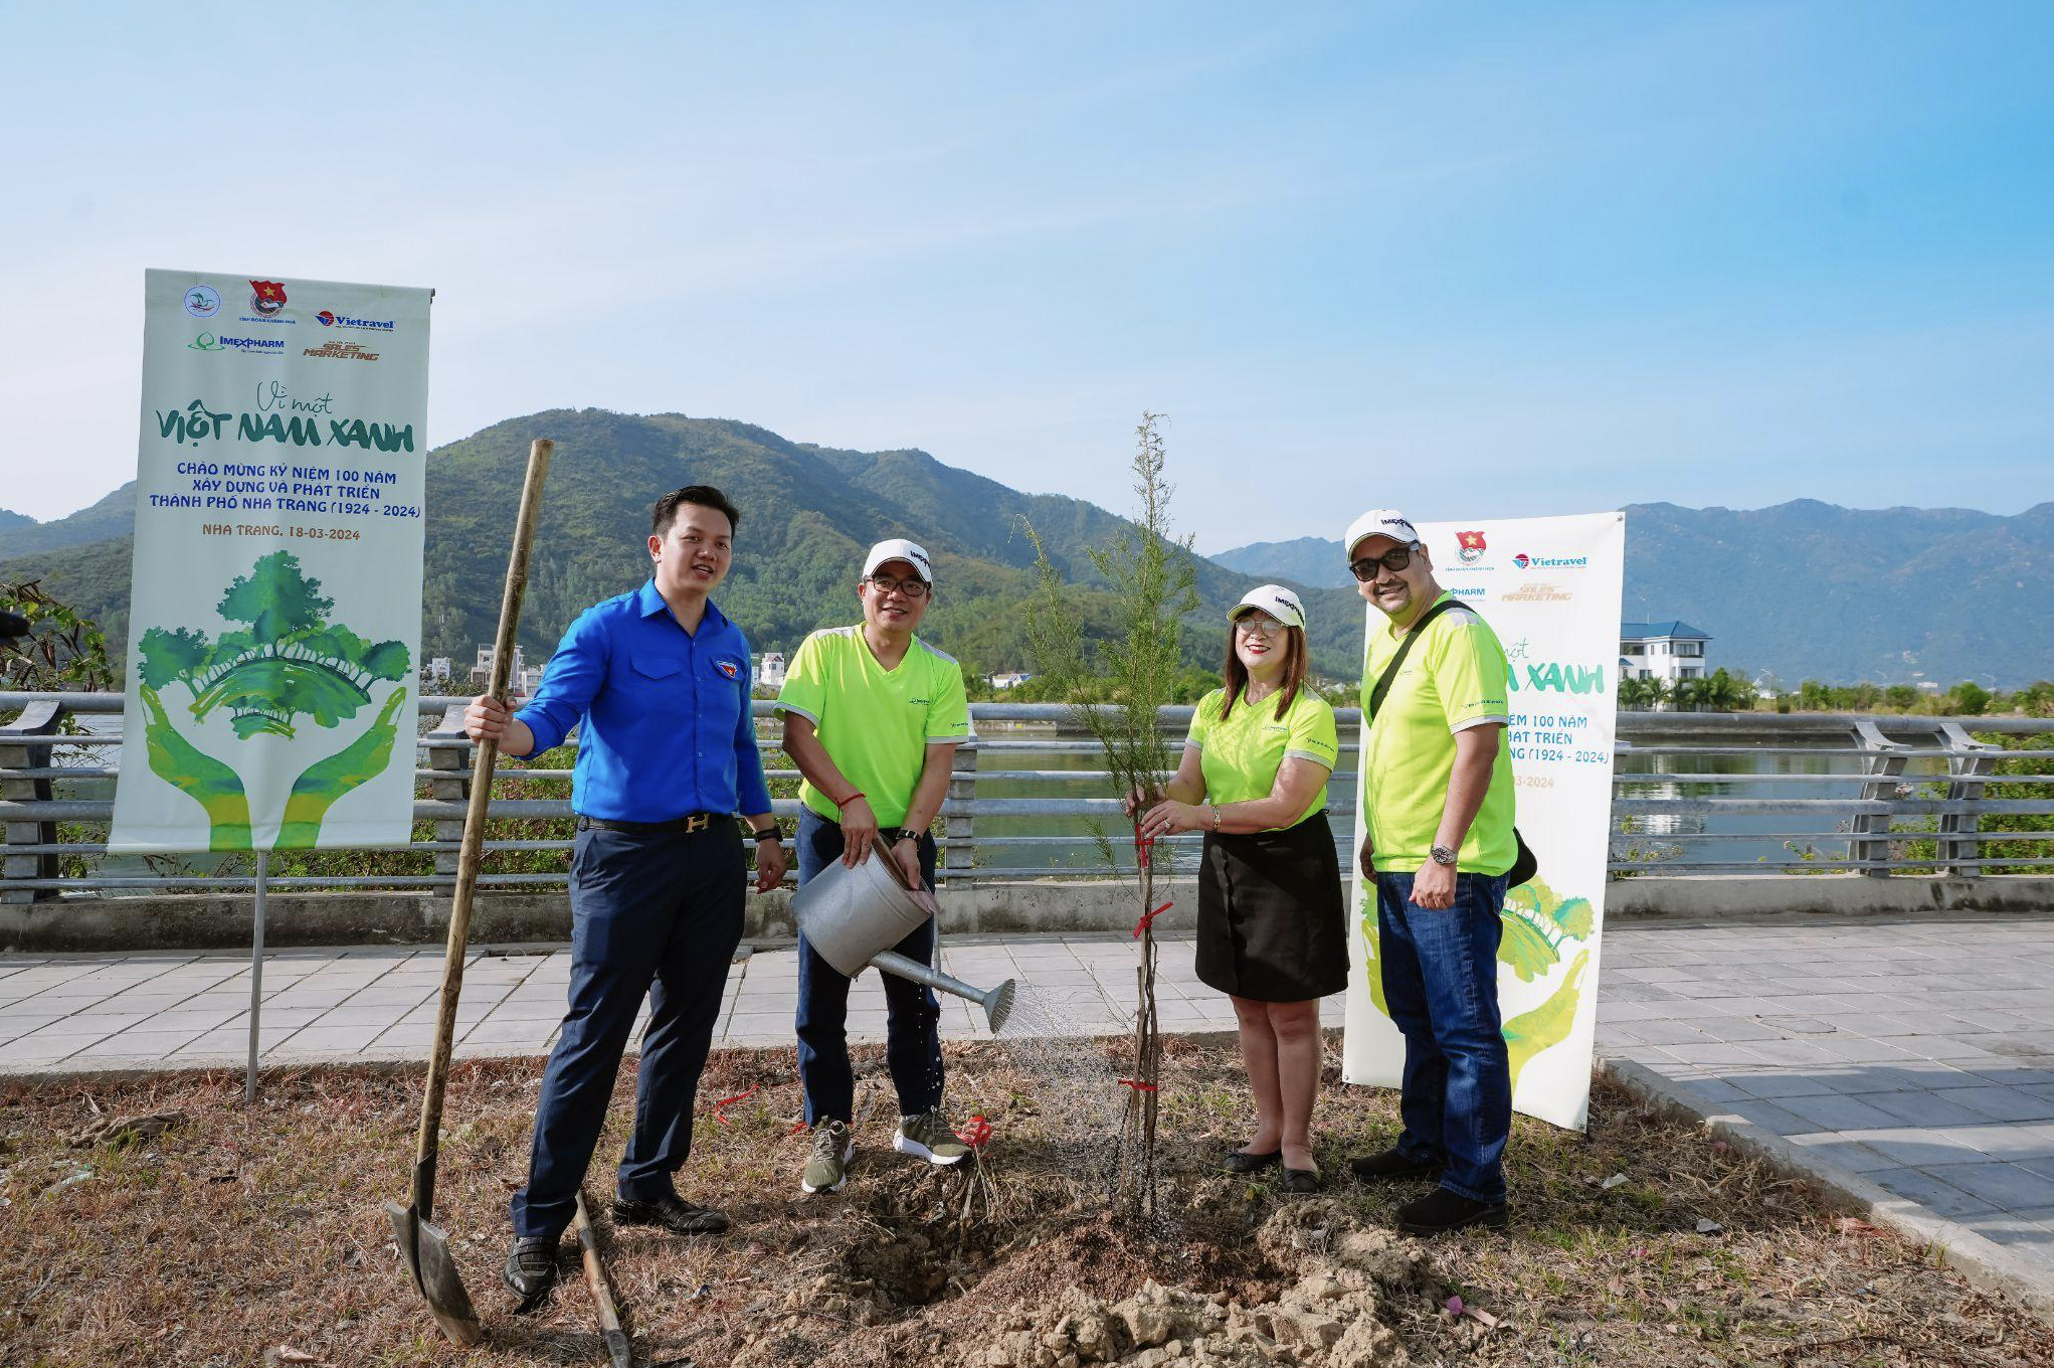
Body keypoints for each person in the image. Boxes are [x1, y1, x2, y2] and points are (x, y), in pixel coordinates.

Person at [462, 485, 788, 1302]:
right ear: (658, 545)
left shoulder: (729, 642)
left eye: (719, 541)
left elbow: (742, 743)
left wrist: (766, 831)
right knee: (596, 1031)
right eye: (692, 538)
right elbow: (551, 717)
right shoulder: (604, 626)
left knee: (685, 1023)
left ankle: (647, 1180)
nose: (706, 552)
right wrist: (510, 733)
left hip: (711, 853)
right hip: (622, 856)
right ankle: (538, 1221)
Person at [775, 538, 974, 1194]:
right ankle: (830, 1125)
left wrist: (912, 836)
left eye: (910, 584)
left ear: (926, 600)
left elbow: (939, 763)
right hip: (833, 833)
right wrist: (849, 800)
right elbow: (797, 735)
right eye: (882, 581)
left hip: (904, 843)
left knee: (913, 988)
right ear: (862, 590)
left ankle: (918, 1115)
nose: (896, 593)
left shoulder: (939, 671)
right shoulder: (825, 650)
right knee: (822, 989)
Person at [1132, 585, 1345, 1193]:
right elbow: (1189, 787)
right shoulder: (1211, 706)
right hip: (1227, 862)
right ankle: (1269, 1128)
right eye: (1246, 621)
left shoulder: (1309, 711)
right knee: (1248, 1007)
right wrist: (1154, 797)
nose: (1256, 631)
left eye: (1272, 624)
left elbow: (1285, 806)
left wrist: (1195, 817)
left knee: (1293, 1014)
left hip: (1289, 867)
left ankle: (1299, 1142)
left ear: (1294, 639)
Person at [1341, 508, 1517, 1235]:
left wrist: (1443, 854)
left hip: (1452, 867)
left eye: (1394, 559)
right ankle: (1426, 1146)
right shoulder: (1389, 637)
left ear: (1424, 555)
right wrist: (1380, 839)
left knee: (1466, 1027)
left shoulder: (1458, 632)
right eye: (1366, 567)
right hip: (1398, 861)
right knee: (1418, 1018)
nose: (1382, 576)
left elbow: (1477, 748)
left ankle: (1476, 1185)